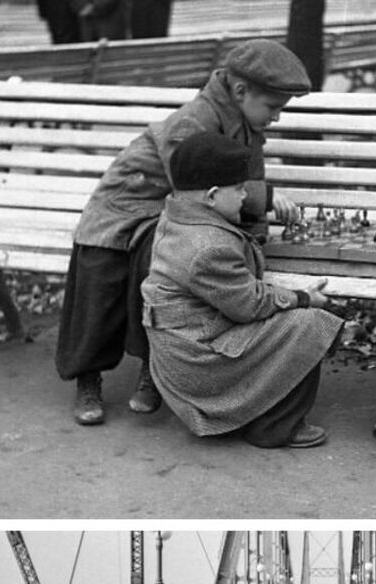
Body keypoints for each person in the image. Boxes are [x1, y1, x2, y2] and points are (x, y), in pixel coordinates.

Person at [59, 39, 311, 427]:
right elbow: (195, 186)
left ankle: (153, 367)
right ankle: (87, 377)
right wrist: (269, 197)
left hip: (171, 213)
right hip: (123, 210)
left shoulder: (247, 126)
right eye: (274, 107)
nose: (277, 117)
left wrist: (253, 239)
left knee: (161, 269)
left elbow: (240, 187)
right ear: (241, 92)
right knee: (101, 280)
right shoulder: (195, 119)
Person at [142, 130, 340, 449]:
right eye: (239, 189)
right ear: (211, 196)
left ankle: (258, 411)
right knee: (311, 323)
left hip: (183, 346)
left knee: (290, 321)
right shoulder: (208, 247)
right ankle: (274, 427)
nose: (246, 197)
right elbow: (248, 305)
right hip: (197, 362)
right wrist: (303, 297)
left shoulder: (177, 217)